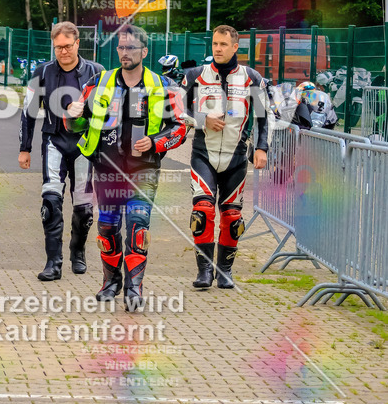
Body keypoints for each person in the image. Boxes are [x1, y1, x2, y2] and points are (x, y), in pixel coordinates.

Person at [65, 24, 187, 311]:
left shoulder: (163, 85)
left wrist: (156, 143)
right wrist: (73, 116)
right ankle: (111, 282)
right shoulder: (98, 82)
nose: (124, 52)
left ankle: (134, 288)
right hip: (105, 168)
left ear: (144, 51)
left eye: (131, 47)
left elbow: (180, 128)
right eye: (120, 47)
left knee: (137, 226)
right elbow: (78, 125)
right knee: (107, 228)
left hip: (143, 170)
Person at [181, 25, 269, 290]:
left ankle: (225, 271)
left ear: (235, 47)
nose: (217, 49)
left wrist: (262, 148)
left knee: (232, 217)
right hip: (203, 155)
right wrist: (202, 119)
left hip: (236, 157)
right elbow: (174, 110)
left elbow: (264, 117)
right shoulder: (195, 76)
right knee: (203, 210)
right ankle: (205, 271)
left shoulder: (252, 78)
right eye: (215, 44)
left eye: (222, 44)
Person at [19, 22, 103, 281]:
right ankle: (53, 263)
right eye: (58, 47)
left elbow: (110, 113)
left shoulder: (96, 72)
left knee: (84, 208)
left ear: (78, 43)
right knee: (51, 202)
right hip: (53, 141)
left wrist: (87, 113)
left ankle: (77, 252)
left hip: (84, 146)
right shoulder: (41, 72)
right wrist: (25, 148)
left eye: (67, 46)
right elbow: (29, 111)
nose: (63, 51)